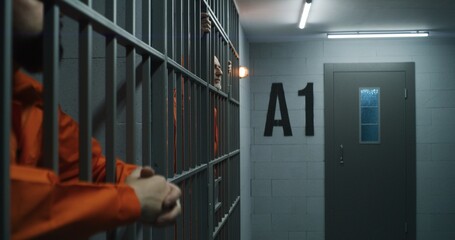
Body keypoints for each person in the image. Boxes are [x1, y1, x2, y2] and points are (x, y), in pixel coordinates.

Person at [10, 0, 181, 239]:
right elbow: (13, 204)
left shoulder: (25, 96)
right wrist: (130, 199)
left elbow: (87, 165)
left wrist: (132, 179)